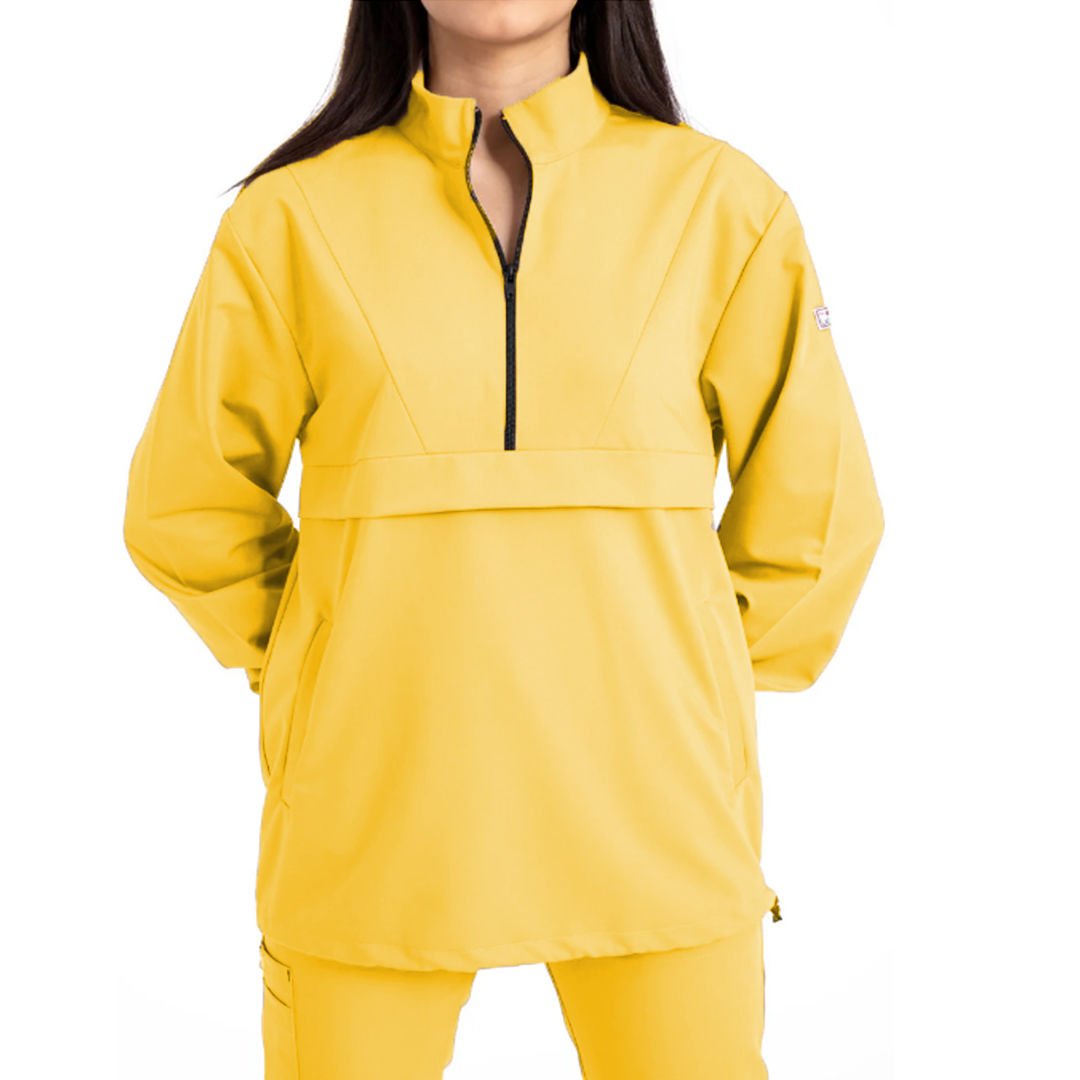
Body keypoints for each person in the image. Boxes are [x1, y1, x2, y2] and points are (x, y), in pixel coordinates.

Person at [122, 1, 885, 1076]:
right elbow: (186, 501)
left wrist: (682, 676)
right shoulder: (289, 218)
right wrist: (327, 664)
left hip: (659, 813)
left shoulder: (723, 205)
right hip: (374, 807)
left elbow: (821, 516)